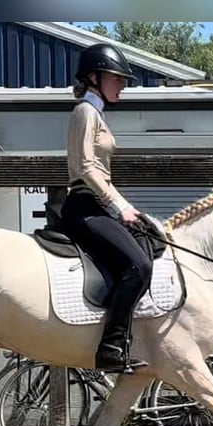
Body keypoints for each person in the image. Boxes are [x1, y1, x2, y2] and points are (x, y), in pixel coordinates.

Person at [60, 43, 153, 374]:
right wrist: (118, 207)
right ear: (93, 77)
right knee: (138, 266)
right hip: (86, 206)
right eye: (117, 78)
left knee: (146, 244)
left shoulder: (96, 113)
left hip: (99, 203)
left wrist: (130, 209)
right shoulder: (85, 112)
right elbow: (86, 167)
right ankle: (111, 347)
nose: (122, 85)